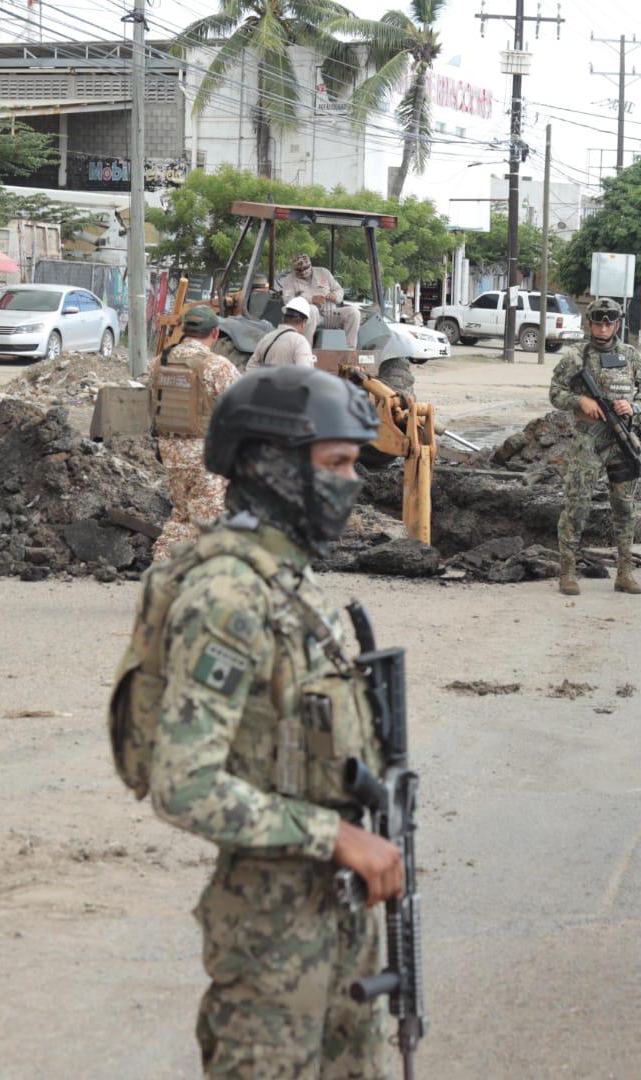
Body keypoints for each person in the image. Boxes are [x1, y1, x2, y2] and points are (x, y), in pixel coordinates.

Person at [122, 365, 404, 1077]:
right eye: (335, 463)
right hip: (272, 935)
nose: (352, 483)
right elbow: (184, 784)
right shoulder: (227, 595)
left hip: (337, 909)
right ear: (272, 466)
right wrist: (334, 835)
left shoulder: (288, 581)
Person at [549, 296, 641, 596]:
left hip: (621, 441)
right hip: (588, 441)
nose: (604, 328)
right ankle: (567, 572)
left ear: (617, 325)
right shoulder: (575, 357)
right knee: (577, 504)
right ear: (590, 324)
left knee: (624, 507)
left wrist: (633, 406)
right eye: (598, 322)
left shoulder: (630, 356)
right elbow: (555, 393)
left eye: (609, 323)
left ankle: (625, 572)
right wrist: (579, 401)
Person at [150, 306, 241, 564]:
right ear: (215, 332)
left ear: (185, 330)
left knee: (182, 513)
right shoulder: (217, 366)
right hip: (205, 456)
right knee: (211, 519)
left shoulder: (159, 362)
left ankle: (163, 564)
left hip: (171, 452)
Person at [278, 253, 361, 350]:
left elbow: (339, 290)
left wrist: (335, 296)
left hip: (330, 313)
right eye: (299, 270)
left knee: (354, 312)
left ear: (310, 264)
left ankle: (349, 350)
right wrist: (311, 299)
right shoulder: (288, 280)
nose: (303, 271)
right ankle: (305, 350)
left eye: (305, 268)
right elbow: (288, 301)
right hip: (306, 317)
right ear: (294, 268)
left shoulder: (323, 273)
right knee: (312, 309)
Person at [247, 296, 317, 369]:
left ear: (283, 319)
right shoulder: (300, 342)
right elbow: (304, 373)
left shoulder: (267, 338)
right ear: (304, 323)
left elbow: (250, 367)